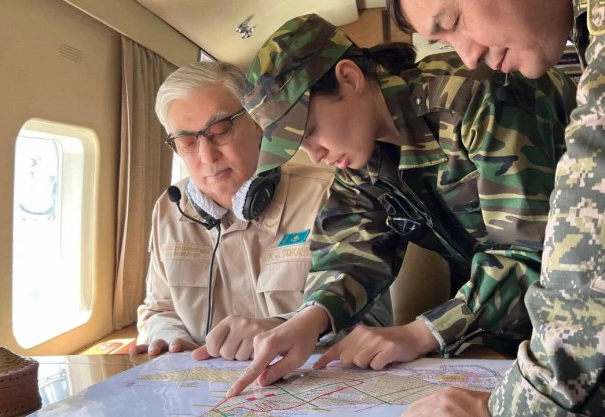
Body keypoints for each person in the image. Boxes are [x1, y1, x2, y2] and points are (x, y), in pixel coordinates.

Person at [226, 14, 577, 399]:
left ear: (349, 78)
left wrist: (422, 332)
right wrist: (310, 319)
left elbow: (532, 253)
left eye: (309, 132)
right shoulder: (360, 158)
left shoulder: (475, 97)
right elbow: (350, 252)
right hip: (528, 316)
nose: (315, 155)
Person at [386, 1, 605, 416]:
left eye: (455, 21)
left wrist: (504, 409)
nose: (468, 56)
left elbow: (586, 243)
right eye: (445, 41)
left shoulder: (477, 96)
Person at [132, 62, 393, 361]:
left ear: (259, 125)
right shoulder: (169, 209)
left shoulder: (331, 194)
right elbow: (159, 309)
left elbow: (375, 322)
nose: (207, 156)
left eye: (220, 131)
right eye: (187, 142)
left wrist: (287, 329)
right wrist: (169, 339)